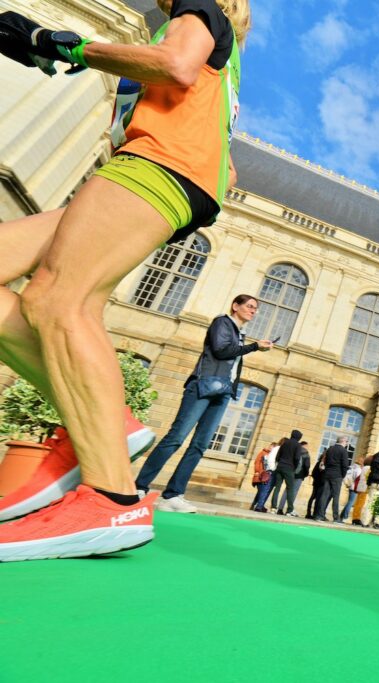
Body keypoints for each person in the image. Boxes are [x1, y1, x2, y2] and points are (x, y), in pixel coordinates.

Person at [0, 0, 252, 559]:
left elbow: (176, 65)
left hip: (158, 167)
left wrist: (56, 41)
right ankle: (103, 420)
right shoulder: (225, 59)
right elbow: (227, 168)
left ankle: (112, 496)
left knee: (56, 302)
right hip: (152, 170)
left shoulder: (198, 10)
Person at [136, 295, 271, 512]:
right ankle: (139, 486)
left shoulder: (239, 333)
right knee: (176, 437)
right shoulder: (222, 322)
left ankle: (173, 495)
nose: (253, 311)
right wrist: (254, 347)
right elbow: (220, 350)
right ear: (235, 306)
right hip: (203, 385)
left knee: (200, 445)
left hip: (223, 390)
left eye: (256, 308)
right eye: (249, 306)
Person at [315, 437, 352, 522]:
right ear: (342, 441)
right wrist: (343, 475)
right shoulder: (343, 451)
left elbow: (326, 461)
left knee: (324, 495)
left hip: (327, 474)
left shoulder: (330, 449)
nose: (347, 443)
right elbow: (345, 465)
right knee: (336, 496)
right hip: (337, 475)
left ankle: (319, 516)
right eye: (346, 442)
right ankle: (336, 518)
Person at [270, 430, 303, 516]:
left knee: (277, 487)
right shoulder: (298, 445)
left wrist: (279, 463)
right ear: (299, 437)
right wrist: (294, 467)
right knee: (290, 489)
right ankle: (289, 510)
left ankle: (273, 507)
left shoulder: (285, 443)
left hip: (280, 466)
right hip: (289, 468)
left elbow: (278, 456)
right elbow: (297, 458)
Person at [251, 439, 282, 513]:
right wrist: (257, 471)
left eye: (273, 447)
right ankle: (258, 505)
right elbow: (257, 462)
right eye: (271, 447)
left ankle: (257, 505)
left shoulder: (272, 454)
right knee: (262, 491)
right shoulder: (263, 452)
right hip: (261, 474)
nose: (271, 448)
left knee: (262, 491)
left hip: (266, 475)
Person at [340, 455, 364, 523]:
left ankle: (342, 516)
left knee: (349, 502)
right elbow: (358, 480)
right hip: (354, 488)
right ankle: (344, 516)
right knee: (350, 503)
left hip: (350, 486)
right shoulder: (358, 470)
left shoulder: (352, 467)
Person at [349, 454, 372, 524]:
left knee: (358, 503)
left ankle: (355, 518)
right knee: (360, 504)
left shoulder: (364, 467)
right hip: (364, 488)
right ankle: (356, 518)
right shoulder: (369, 468)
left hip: (361, 487)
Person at [306, 449, 328, 519]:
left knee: (317, 499)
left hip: (320, 483)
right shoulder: (320, 463)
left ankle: (314, 513)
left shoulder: (324, 463)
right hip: (318, 483)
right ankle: (309, 513)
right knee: (313, 498)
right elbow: (313, 473)